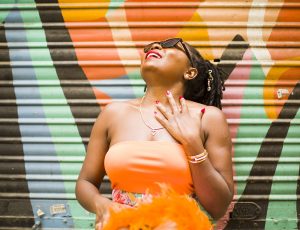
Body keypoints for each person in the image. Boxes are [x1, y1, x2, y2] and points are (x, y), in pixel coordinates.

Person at [75, 38, 234, 229]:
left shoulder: (207, 117)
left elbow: (218, 207)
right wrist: (102, 205)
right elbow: (85, 182)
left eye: (171, 45)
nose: (155, 47)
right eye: (151, 46)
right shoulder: (113, 113)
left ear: (190, 72)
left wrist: (192, 143)